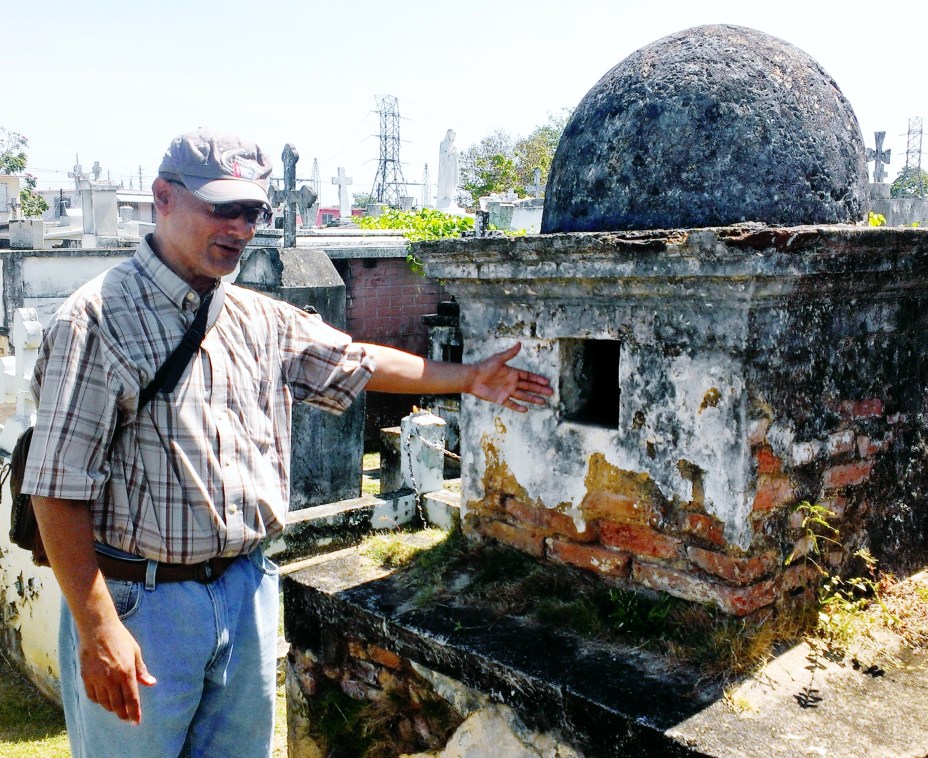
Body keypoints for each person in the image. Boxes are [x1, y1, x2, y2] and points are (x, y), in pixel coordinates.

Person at [22, 129, 552, 757]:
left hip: (243, 591)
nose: (241, 228)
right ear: (163, 197)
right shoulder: (96, 321)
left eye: (252, 211)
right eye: (222, 207)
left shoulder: (255, 316)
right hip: (141, 603)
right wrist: (97, 626)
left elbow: (354, 359)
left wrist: (467, 378)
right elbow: (56, 490)